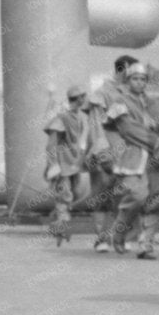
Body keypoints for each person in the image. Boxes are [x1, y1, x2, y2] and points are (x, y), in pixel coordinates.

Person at [101, 55, 159, 258]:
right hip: (133, 156)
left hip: (158, 160)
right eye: (135, 79)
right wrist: (158, 142)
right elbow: (129, 129)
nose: (139, 83)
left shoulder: (158, 106)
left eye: (143, 79)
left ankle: (146, 245)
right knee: (137, 195)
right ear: (128, 80)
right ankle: (120, 230)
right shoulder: (120, 102)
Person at [42, 83, 109, 246]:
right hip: (63, 162)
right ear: (76, 99)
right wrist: (53, 165)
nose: (84, 99)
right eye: (82, 97)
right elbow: (51, 144)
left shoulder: (84, 117)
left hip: (76, 162)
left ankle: (60, 218)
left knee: (76, 192)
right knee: (64, 193)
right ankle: (61, 223)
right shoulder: (61, 118)